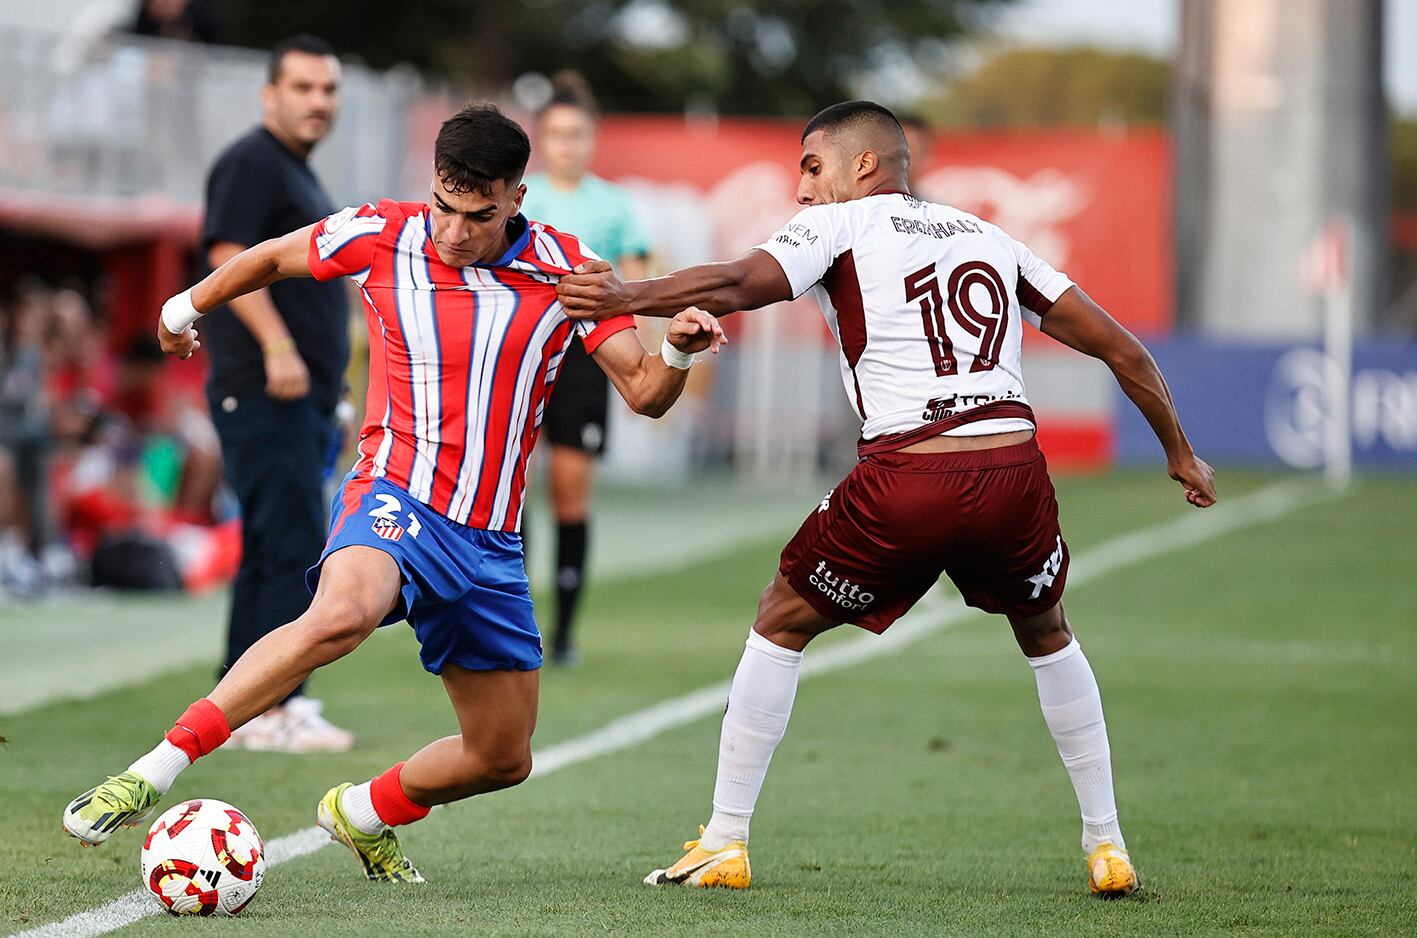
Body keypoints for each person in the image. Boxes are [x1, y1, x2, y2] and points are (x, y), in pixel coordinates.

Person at [556, 100, 1217, 897]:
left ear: (862, 164)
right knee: (1046, 631)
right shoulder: (989, 237)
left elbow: (738, 281)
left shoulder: (843, 223)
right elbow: (1122, 348)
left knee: (779, 619)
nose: (801, 190)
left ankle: (724, 840)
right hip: (1013, 471)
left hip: (910, 474)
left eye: (810, 165)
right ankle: (1107, 845)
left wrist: (625, 296)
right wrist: (1179, 451)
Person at [62, 103, 726, 885]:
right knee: (340, 614)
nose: (451, 232)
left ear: (517, 197)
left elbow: (645, 393)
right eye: (443, 206)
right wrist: (184, 308)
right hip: (395, 491)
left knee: (502, 757)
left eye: (477, 216)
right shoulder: (383, 232)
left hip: (490, 542)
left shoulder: (568, 272)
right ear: (431, 186)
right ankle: (152, 769)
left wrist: (677, 353)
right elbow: (271, 257)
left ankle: (365, 812)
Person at [201, 35, 354, 752]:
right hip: (263, 385)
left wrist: (338, 392)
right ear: (271, 94)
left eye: (327, 90)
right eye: (303, 88)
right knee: (291, 544)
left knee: (275, 544)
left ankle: (241, 702)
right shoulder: (251, 162)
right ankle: (270, 706)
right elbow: (226, 257)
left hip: (301, 394)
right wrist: (277, 344)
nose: (318, 101)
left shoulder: (297, 173)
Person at [521, 72, 654, 666]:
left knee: (571, 496)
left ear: (591, 138)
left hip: (583, 359)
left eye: (576, 133)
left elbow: (636, 279)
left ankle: (565, 634)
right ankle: (511, 626)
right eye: (556, 133)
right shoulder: (522, 197)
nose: (566, 144)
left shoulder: (613, 204)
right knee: (509, 496)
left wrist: (645, 351)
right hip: (520, 355)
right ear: (541, 139)